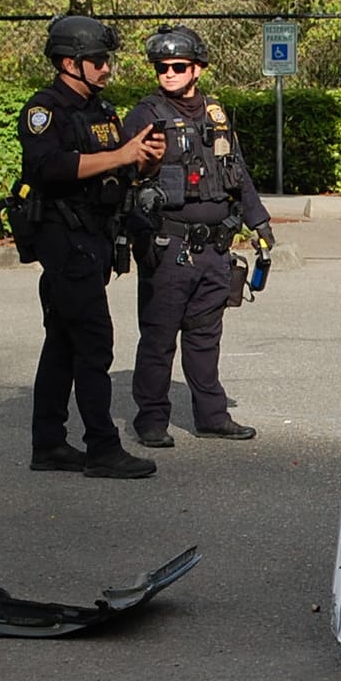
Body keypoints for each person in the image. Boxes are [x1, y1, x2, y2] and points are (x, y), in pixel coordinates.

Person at [16, 14, 166, 478]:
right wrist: (121, 155)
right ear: (68, 62)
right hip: (65, 241)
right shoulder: (45, 110)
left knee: (62, 344)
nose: (105, 68)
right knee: (95, 345)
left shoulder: (101, 112)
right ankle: (102, 447)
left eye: (105, 60)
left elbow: (118, 168)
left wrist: (142, 161)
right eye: (97, 61)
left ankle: (49, 444)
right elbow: (47, 169)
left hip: (94, 238)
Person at [122, 24, 275, 448]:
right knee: (158, 337)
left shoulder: (216, 115)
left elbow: (237, 173)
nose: (168, 74)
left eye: (177, 66)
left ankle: (211, 416)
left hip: (215, 248)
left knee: (206, 337)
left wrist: (258, 223)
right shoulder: (145, 115)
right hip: (169, 247)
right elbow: (124, 173)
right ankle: (151, 420)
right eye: (161, 67)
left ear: (197, 69)